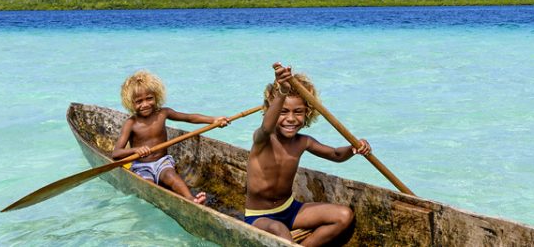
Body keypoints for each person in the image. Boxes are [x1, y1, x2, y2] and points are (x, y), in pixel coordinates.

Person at [244, 62, 370, 246]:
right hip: (259, 216)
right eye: (283, 112)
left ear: (307, 113)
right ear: (272, 110)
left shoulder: (303, 142)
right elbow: (266, 126)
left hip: (290, 210)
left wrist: (354, 148)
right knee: (279, 229)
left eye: (298, 112)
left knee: (344, 215)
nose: (291, 119)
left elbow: (336, 154)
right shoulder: (263, 139)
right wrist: (282, 92)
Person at [111, 69, 229, 205]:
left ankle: (192, 200)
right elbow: (116, 153)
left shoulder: (163, 113)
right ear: (131, 103)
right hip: (142, 166)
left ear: (156, 96)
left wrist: (213, 120)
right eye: (139, 101)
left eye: (149, 98)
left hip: (163, 162)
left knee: (171, 176)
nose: (145, 104)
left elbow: (189, 118)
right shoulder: (131, 124)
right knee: (147, 185)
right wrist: (135, 150)